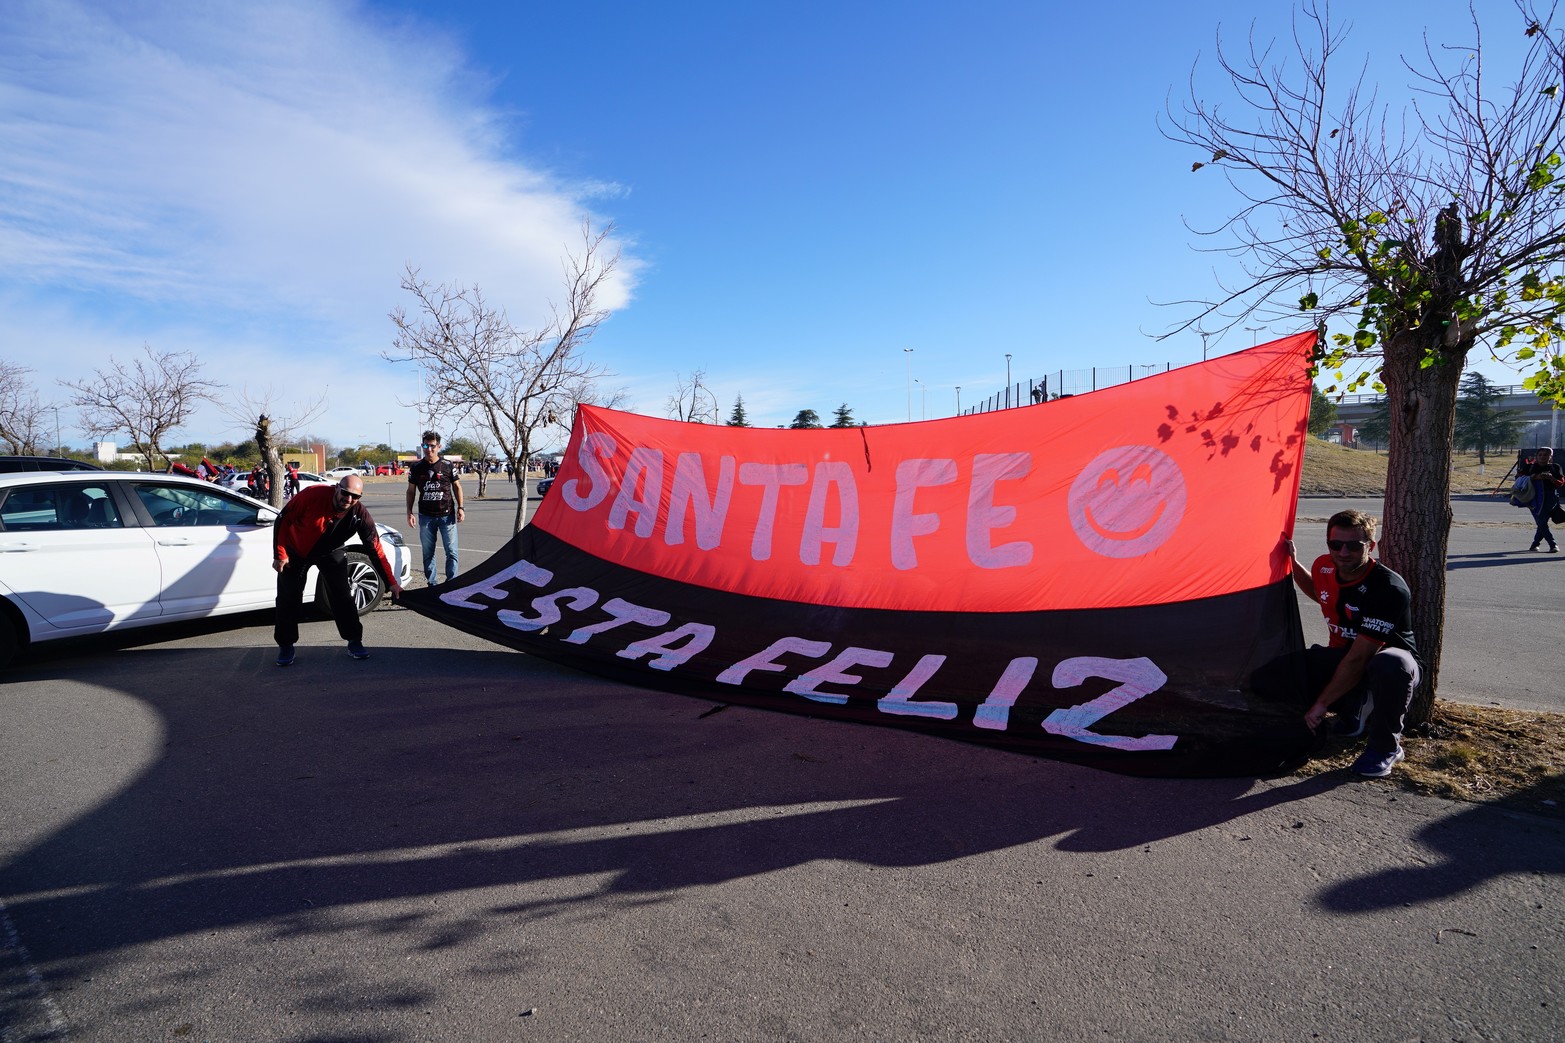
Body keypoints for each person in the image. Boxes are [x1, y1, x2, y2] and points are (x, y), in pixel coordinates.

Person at [1253, 509, 1422, 777]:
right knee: (1267, 677)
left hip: (1387, 663)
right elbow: (1320, 593)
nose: (1343, 552)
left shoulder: (1388, 588)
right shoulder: (1324, 566)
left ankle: (1386, 748)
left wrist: (1321, 704)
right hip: (1344, 656)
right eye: (1335, 544)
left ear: (1370, 546)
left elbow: (1359, 658)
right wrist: (1292, 564)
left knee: (1389, 664)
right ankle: (1354, 704)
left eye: (1353, 546)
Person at [272, 474, 402, 666]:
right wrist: (280, 553)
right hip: (297, 551)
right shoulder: (312, 495)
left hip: (330, 551)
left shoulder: (360, 515)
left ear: (360, 497)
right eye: (345, 493)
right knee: (288, 597)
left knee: (342, 596)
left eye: (355, 496)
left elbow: (376, 550)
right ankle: (286, 644)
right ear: (337, 488)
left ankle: (354, 640)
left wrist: (391, 583)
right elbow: (283, 520)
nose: (348, 499)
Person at [405, 429, 465, 586]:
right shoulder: (416, 467)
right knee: (428, 553)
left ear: (439, 446)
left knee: (451, 552)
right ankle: (432, 585)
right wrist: (409, 512)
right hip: (426, 516)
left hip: (447, 515)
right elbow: (411, 491)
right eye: (425, 445)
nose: (429, 449)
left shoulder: (447, 465)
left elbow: (457, 487)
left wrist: (461, 508)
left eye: (432, 446)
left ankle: (451, 584)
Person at [1521, 447, 1563, 553]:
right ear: (1536, 456)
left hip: (1550, 499)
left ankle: (1535, 544)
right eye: (1540, 455)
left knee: (1542, 522)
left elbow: (1560, 483)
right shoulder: (1530, 467)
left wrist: (1551, 478)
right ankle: (1552, 544)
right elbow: (1519, 479)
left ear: (1550, 457)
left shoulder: (1555, 467)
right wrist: (1535, 477)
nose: (1542, 457)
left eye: (1545, 455)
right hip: (1533, 498)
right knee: (1541, 521)